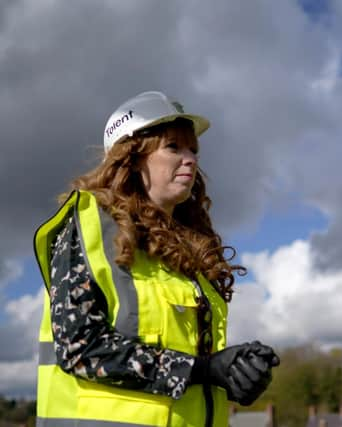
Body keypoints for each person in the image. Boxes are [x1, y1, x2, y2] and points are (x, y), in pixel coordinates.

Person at [34, 91, 280, 427]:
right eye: (174, 147)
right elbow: (81, 348)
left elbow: (189, 368)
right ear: (132, 157)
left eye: (193, 149)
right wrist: (204, 370)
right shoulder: (89, 225)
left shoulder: (192, 253)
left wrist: (235, 374)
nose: (190, 159)